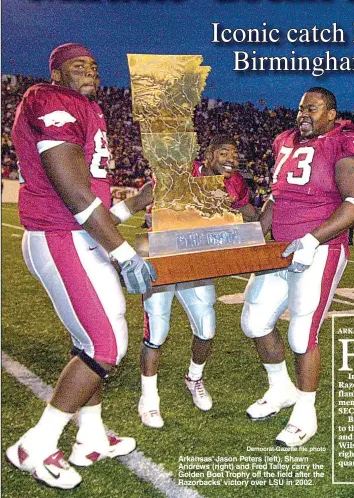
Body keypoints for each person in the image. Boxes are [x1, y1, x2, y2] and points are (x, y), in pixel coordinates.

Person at [6, 43, 156, 490]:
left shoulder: (84, 106)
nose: (89, 69)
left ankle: (90, 437)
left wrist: (134, 204)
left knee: (93, 340)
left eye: (93, 64)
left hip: (77, 236)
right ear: (55, 73)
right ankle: (36, 443)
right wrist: (123, 252)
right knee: (105, 346)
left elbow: (91, 199)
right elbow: (72, 192)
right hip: (61, 237)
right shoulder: (49, 100)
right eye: (77, 65)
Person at [241, 87, 354, 447]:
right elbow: (277, 195)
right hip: (280, 249)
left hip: (320, 249)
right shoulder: (284, 141)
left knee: (302, 334)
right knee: (253, 322)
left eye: (312, 108)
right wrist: (255, 233)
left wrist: (313, 239)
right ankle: (280, 388)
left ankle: (305, 412)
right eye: (300, 108)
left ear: (331, 113)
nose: (304, 114)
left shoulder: (344, 142)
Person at [139, 135, 258, 428]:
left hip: (197, 260)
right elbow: (146, 195)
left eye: (235, 154)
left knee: (206, 328)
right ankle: (149, 397)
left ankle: (194, 378)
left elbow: (249, 212)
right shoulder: (181, 170)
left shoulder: (235, 182)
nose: (231, 159)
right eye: (223, 153)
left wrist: (236, 213)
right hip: (164, 257)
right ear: (207, 156)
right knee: (157, 330)